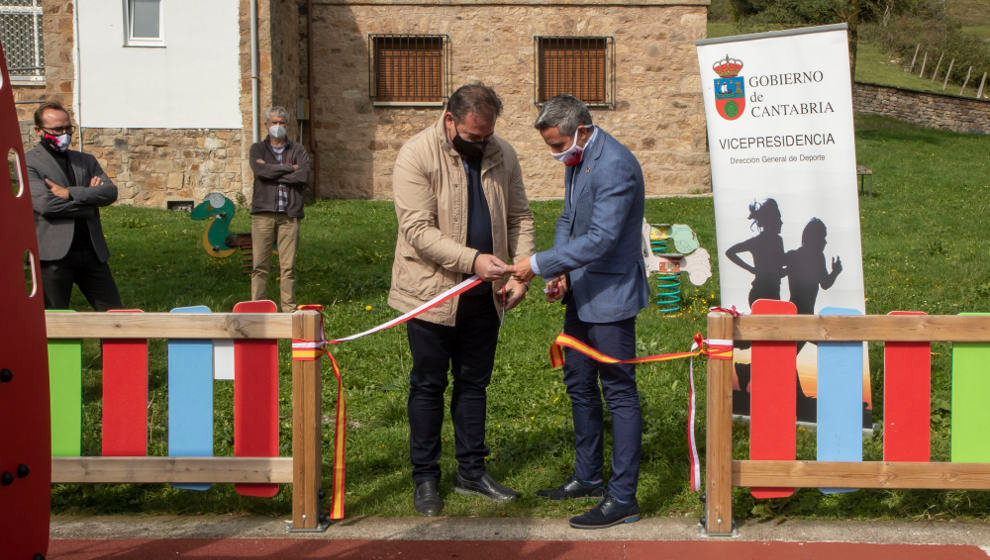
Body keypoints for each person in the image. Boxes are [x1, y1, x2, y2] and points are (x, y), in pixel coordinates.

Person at [388, 83, 535, 516]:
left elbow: (520, 216)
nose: (482, 143)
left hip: (486, 295)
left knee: (474, 385)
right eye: (473, 137)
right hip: (431, 292)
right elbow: (417, 230)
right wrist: (472, 260)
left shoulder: (502, 153)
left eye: (487, 135)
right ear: (449, 119)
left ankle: (472, 471)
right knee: (429, 386)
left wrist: (521, 269)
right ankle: (426, 478)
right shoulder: (415, 155)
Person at [508, 94, 649, 529]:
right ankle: (588, 476)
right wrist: (562, 272)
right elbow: (570, 219)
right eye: (550, 146)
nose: (555, 153)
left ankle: (623, 497)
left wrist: (535, 265)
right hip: (581, 291)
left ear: (582, 132)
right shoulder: (582, 159)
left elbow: (603, 238)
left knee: (619, 392)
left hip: (611, 296)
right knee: (580, 384)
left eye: (558, 145)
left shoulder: (616, 166)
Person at [27, 101, 122, 311]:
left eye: (67, 128)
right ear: (38, 130)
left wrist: (69, 193)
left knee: (116, 316)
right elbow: (46, 205)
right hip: (53, 256)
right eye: (56, 129)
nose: (63, 134)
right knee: (55, 320)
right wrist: (90, 203)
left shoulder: (85, 160)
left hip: (92, 252)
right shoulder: (29, 162)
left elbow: (110, 192)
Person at [249, 106, 310, 312]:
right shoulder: (257, 149)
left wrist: (271, 171)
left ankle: (288, 309)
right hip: (263, 214)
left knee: (288, 267)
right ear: (266, 125)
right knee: (259, 266)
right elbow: (260, 171)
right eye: (273, 123)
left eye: (281, 123)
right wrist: (288, 168)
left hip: (289, 215)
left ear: (287, 125)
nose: (277, 127)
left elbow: (302, 176)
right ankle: (258, 308)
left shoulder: (298, 150)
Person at [724, 198, 786, 306]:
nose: (781, 222)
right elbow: (778, 270)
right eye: (778, 218)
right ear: (772, 221)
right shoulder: (776, 241)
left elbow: (730, 252)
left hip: (764, 293)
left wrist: (752, 269)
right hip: (768, 294)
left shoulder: (759, 241)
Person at [786, 217, 842, 315]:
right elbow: (825, 284)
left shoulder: (794, 255)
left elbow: (825, 284)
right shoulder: (817, 257)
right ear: (815, 238)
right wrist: (835, 272)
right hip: (804, 314)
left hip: (796, 313)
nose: (825, 242)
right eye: (822, 237)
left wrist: (835, 272)